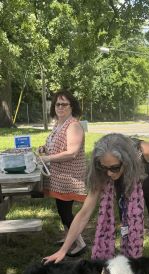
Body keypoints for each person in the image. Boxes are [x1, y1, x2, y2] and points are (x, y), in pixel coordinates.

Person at [43, 133, 149, 274]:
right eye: (104, 167)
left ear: (126, 160)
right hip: (127, 184)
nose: (108, 173)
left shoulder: (145, 151)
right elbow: (85, 212)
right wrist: (64, 249)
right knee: (127, 229)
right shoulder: (103, 171)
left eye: (114, 167)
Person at [38, 89, 87, 256]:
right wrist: (45, 149)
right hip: (60, 177)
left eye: (64, 104)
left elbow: (72, 152)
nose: (60, 107)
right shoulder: (58, 124)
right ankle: (69, 236)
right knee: (61, 208)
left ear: (71, 106)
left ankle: (80, 243)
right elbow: (56, 145)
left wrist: (47, 158)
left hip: (70, 176)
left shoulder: (73, 125)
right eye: (57, 104)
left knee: (65, 211)